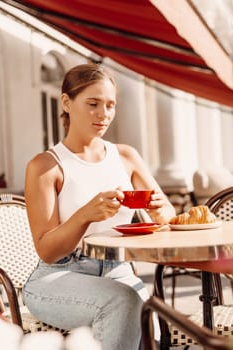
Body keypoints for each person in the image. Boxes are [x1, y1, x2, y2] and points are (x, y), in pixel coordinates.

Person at [22, 63, 176, 350]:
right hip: (59, 275)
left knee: (149, 316)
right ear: (67, 103)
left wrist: (158, 209)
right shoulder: (45, 166)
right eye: (93, 104)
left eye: (110, 105)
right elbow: (47, 250)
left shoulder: (126, 156)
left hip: (117, 269)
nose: (103, 114)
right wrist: (85, 215)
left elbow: (168, 214)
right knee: (124, 302)